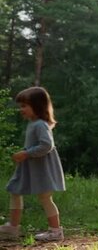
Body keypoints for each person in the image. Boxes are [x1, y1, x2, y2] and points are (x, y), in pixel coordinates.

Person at [0, 87, 66, 241]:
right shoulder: (33, 123)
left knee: (45, 198)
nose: (21, 109)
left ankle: (55, 231)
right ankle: (12, 227)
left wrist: (26, 153)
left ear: (37, 106)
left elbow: (46, 145)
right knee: (15, 189)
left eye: (24, 106)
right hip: (32, 167)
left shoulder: (40, 125)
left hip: (42, 168)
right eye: (20, 106)